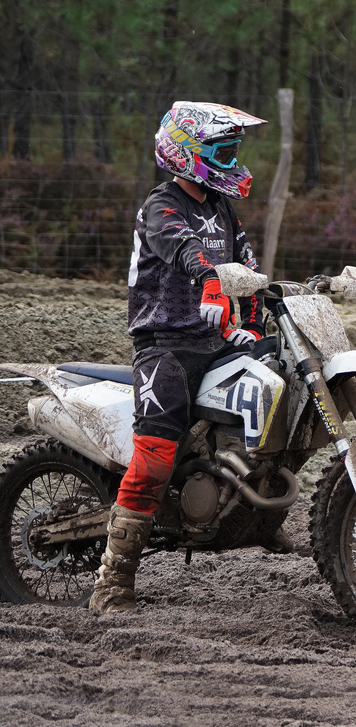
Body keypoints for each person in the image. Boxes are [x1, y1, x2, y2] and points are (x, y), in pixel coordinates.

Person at [90, 102, 269, 614]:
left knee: (275, 384)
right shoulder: (161, 205)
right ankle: (113, 582)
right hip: (164, 344)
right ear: (188, 153)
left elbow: (248, 269)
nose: (233, 159)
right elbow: (185, 249)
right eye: (224, 150)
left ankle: (254, 517)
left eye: (235, 149)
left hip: (214, 340)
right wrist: (210, 277)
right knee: (154, 459)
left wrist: (255, 318)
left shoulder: (221, 206)